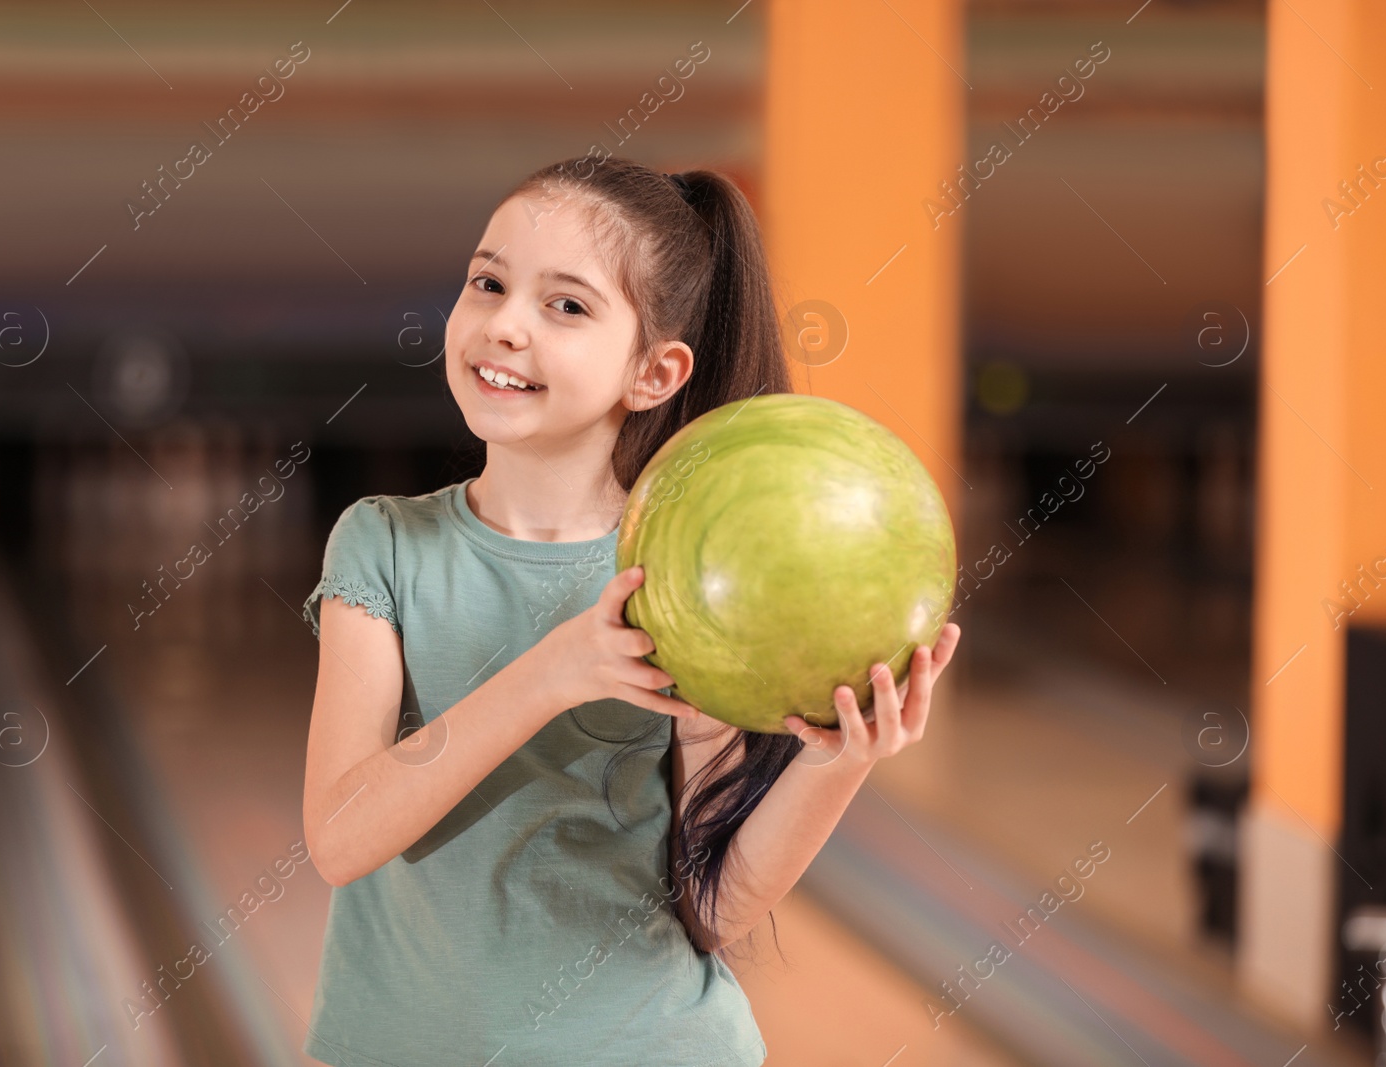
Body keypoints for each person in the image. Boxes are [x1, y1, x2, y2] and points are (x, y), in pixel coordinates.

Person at [298, 155, 961, 1067]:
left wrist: (836, 761)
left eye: (565, 305)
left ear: (654, 372)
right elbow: (340, 837)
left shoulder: (686, 572)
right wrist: (552, 673)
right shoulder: (382, 545)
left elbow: (715, 905)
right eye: (488, 282)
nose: (506, 325)